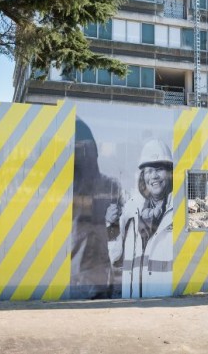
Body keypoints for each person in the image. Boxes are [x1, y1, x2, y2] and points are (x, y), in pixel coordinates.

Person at [70, 118, 123, 299]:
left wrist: (111, 222)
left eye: (87, 149)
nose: (84, 156)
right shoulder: (67, 190)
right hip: (76, 278)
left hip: (101, 277)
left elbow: (122, 235)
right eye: (79, 150)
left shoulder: (111, 186)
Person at [120, 139, 173, 298]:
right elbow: (115, 257)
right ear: (143, 176)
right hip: (133, 304)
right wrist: (110, 227)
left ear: (170, 173)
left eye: (159, 169)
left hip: (166, 304)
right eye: (149, 171)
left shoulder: (177, 211)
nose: (154, 176)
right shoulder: (131, 211)